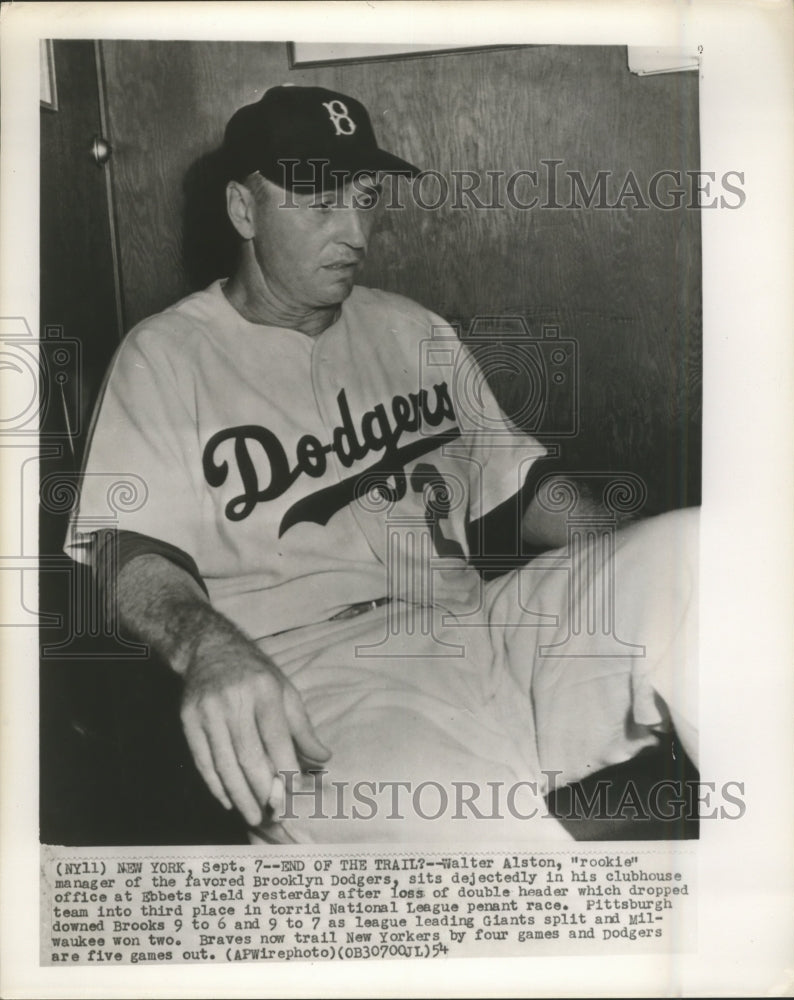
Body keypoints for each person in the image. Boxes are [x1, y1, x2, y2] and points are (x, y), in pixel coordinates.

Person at [66, 84, 698, 844]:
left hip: (488, 627)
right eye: (319, 201)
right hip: (324, 683)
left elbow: (522, 488)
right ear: (243, 210)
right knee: (486, 853)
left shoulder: (408, 326)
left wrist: (637, 554)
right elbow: (124, 548)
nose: (355, 231)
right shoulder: (165, 355)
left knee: (705, 551)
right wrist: (208, 649)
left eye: (364, 197)